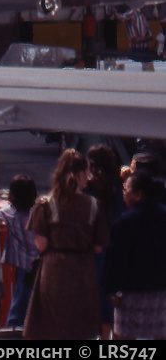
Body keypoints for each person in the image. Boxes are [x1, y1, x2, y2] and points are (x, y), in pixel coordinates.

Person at [24, 148, 111, 340]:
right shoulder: (93, 205)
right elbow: (98, 247)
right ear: (80, 174)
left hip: (54, 270)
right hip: (83, 270)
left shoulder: (46, 204)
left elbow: (41, 245)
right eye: (87, 173)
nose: (89, 177)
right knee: (79, 325)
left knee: (51, 324)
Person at [105, 171, 166, 339]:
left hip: (132, 292)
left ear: (138, 194)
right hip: (161, 292)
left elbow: (117, 259)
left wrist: (111, 289)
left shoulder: (126, 221)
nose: (123, 193)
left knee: (124, 336)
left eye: (126, 189)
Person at [87, 144, 126, 337]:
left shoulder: (88, 187)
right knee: (115, 297)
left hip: (94, 249)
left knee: (98, 297)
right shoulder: (118, 185)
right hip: (116, 247)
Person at [0, 175, 40, 329]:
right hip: (44, 262)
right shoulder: (41, 209)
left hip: (24, 265)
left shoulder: (7, 213)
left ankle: (14, 331)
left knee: (21, 300)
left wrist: (1, 225)